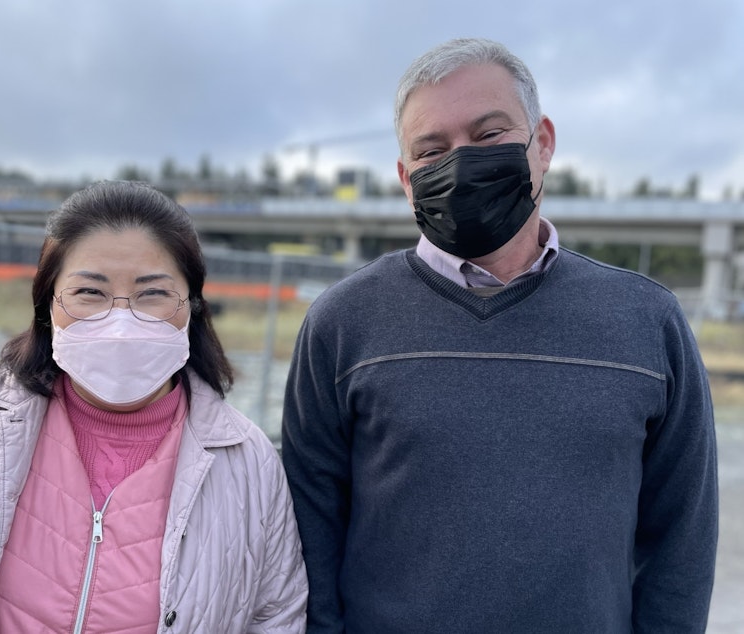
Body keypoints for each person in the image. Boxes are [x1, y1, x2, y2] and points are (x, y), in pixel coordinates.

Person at [281, 37, 718, 633]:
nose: (461, 163)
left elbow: (681, 543)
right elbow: (310, 531)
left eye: (489, 136)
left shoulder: (648, 322)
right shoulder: (342, 324)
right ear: (407, 180)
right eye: (431, 150)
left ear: (542, 144)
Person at [0, 180, 308, 633]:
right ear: (47, 306)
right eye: (89, 293)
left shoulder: (247, 462)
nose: (121, 319)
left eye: (153, 293)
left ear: (193, 307)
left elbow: (276, 614)